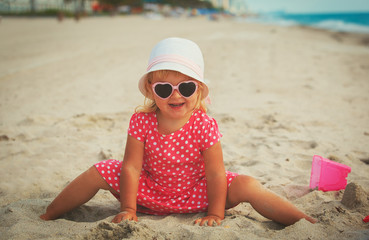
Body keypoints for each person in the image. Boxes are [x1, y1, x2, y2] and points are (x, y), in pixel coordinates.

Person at [40, 37, 316, 226]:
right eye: (164, 88)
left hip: (198, 193)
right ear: (150, 89)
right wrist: (128, 208)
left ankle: (306, 223)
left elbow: (216, 173)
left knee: (247, 184)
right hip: (146, 192)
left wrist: (215, 214)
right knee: (100, 170)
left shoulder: (204, 125)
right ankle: (48, 215)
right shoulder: (141, 121)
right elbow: (132, 168)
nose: (176, 96)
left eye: (185, 88)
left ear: (198, 89)